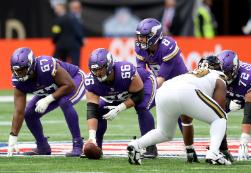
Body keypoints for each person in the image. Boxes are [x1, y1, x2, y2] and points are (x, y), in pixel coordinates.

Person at [127, 68, 231, 165]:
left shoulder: (192, 75)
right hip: (186, 91)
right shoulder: (218, 77)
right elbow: (220, 111)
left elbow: (186, 120)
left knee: (164, 133)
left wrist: (189, 149)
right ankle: (213, 153)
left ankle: (137, 145)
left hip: (163, 90)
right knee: (220, 118)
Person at [135, 18, 198, 162]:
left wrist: (147, 90)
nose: (141, 40)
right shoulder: (140, 48)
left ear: (155, 35)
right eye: (140, 36)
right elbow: (140, 71)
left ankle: (190, 149)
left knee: (183, 115)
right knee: (142, 106)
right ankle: (150, 147)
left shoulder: (167, 46)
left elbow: (162, 77)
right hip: (160, 83)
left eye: (144, 37)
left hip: (180, 83)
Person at [7, 47, 85, 157]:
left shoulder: (45, 66)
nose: (20, 74)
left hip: (74, 79)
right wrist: (13, 137)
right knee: (29, 113)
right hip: (52, 88)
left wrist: (48, 99)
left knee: (64, 101)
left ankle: (78, 145)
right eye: (17, 71)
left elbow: (69, 85)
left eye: (23, 70)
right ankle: (42, 146)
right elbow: (19, 111)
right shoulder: (18, 81)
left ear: (31, 65)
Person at [84, 48, 157, 158]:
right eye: (94, 70)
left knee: (142, 107)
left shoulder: (125, 71)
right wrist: (91, 136)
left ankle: (150, 147)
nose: (98, 73)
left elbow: (138, 95)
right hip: (119, 93)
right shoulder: (91, 81)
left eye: (100, 69)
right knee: (99, 109)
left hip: (143, 84)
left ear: (109, 65)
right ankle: (96, 145)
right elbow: (92, 110)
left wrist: (119, 108)